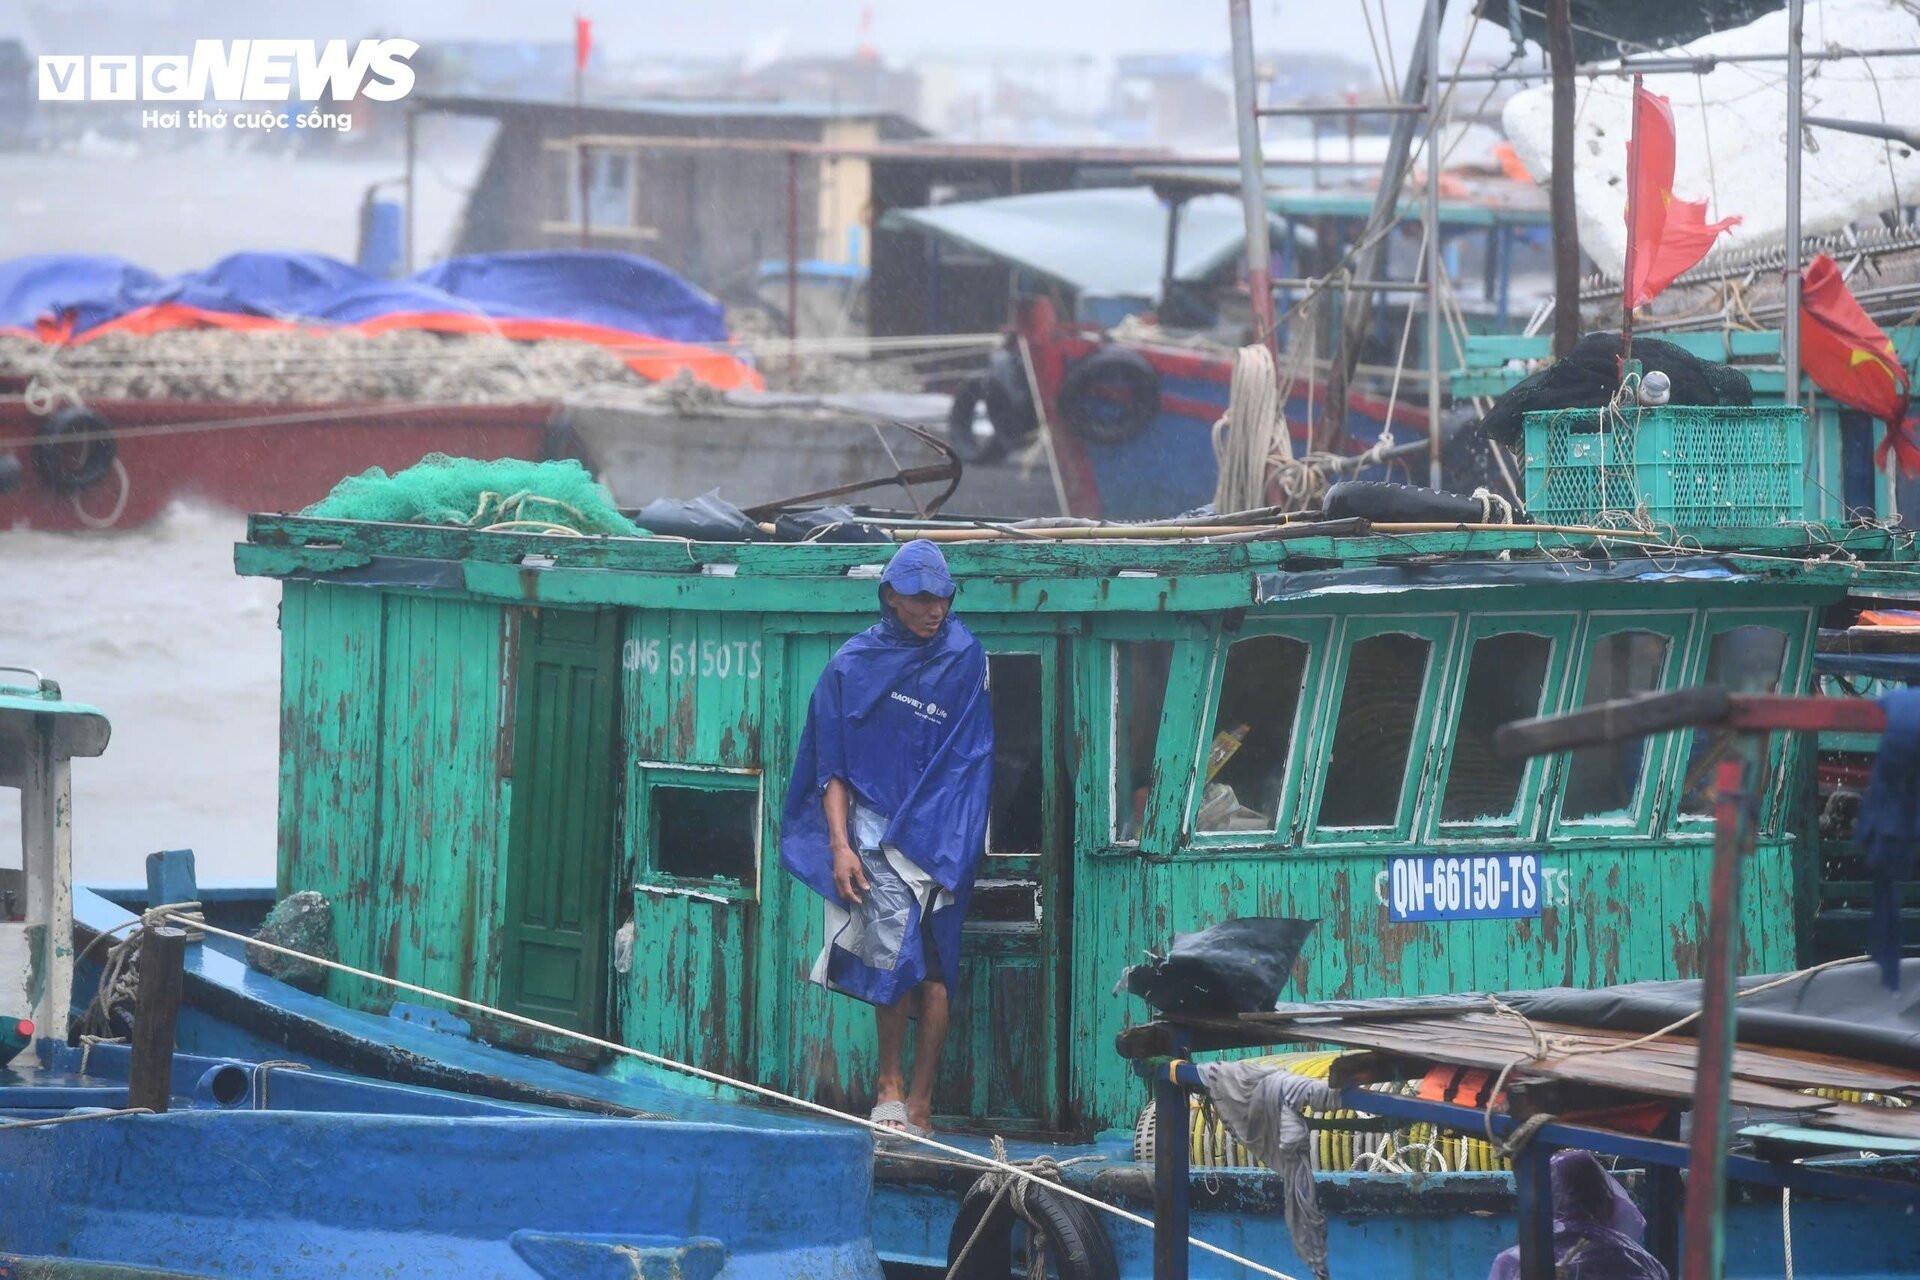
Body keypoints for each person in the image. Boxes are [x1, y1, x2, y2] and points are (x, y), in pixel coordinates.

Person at [779, 539, 994, 1139]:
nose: (935, 609)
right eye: (923, 597)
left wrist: (935, 838)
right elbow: (832, 765)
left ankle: (921, 1103)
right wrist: (843, 846)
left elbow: (969, 761)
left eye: (944, 597)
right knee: (892, 956)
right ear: (891, 597)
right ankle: (888, 1087)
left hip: (939, 839)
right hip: (869, 841)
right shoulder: (852, 665)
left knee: (936, 969)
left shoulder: (965, 657)